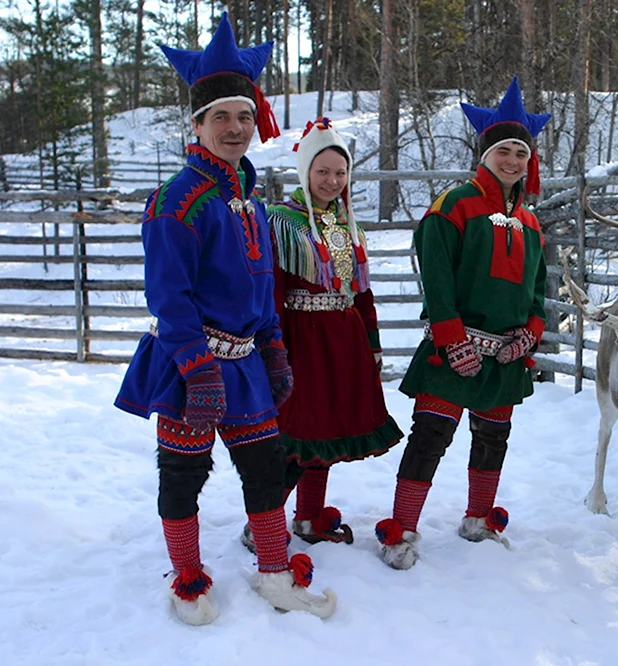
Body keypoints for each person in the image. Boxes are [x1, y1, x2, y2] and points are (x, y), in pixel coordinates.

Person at [114, 13, 336, 625]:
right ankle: (186, 575)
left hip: (246, 366)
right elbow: (170, 297)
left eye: (244, 117)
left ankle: (273, 570)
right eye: (222, 118)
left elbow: (260, 287)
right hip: (190, 364)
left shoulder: (251, 200)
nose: (235, 128)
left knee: (265, 470)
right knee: (183, 472)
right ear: (198, 125)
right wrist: (198, 370)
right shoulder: (177, 202)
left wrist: (273, 347)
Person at [374, 77, 551, 570]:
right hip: (455, 351)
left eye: (521, 152)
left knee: (494, 437)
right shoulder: (453, 206)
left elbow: (538, 290)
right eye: (504, 151)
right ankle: (402, 530)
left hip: (505, 355)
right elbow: (437, 277)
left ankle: (478, 519)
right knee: (431, 435)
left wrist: (530, 333)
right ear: (485, 154)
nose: (513, 161)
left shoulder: (532, 224)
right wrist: (452, 339)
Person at [240, 118, 403, 551]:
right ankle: (262, 522)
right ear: (305, 172)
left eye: (340, 172)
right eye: (322, 171)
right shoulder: (280, 223)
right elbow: (270, 290)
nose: (332, 181)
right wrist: (270, 349)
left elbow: (360, 293)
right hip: (301, 341)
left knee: (325, 435)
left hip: (343, 341)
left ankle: (309, 518)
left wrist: (371, 345)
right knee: (295, 437)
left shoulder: (348, 226)